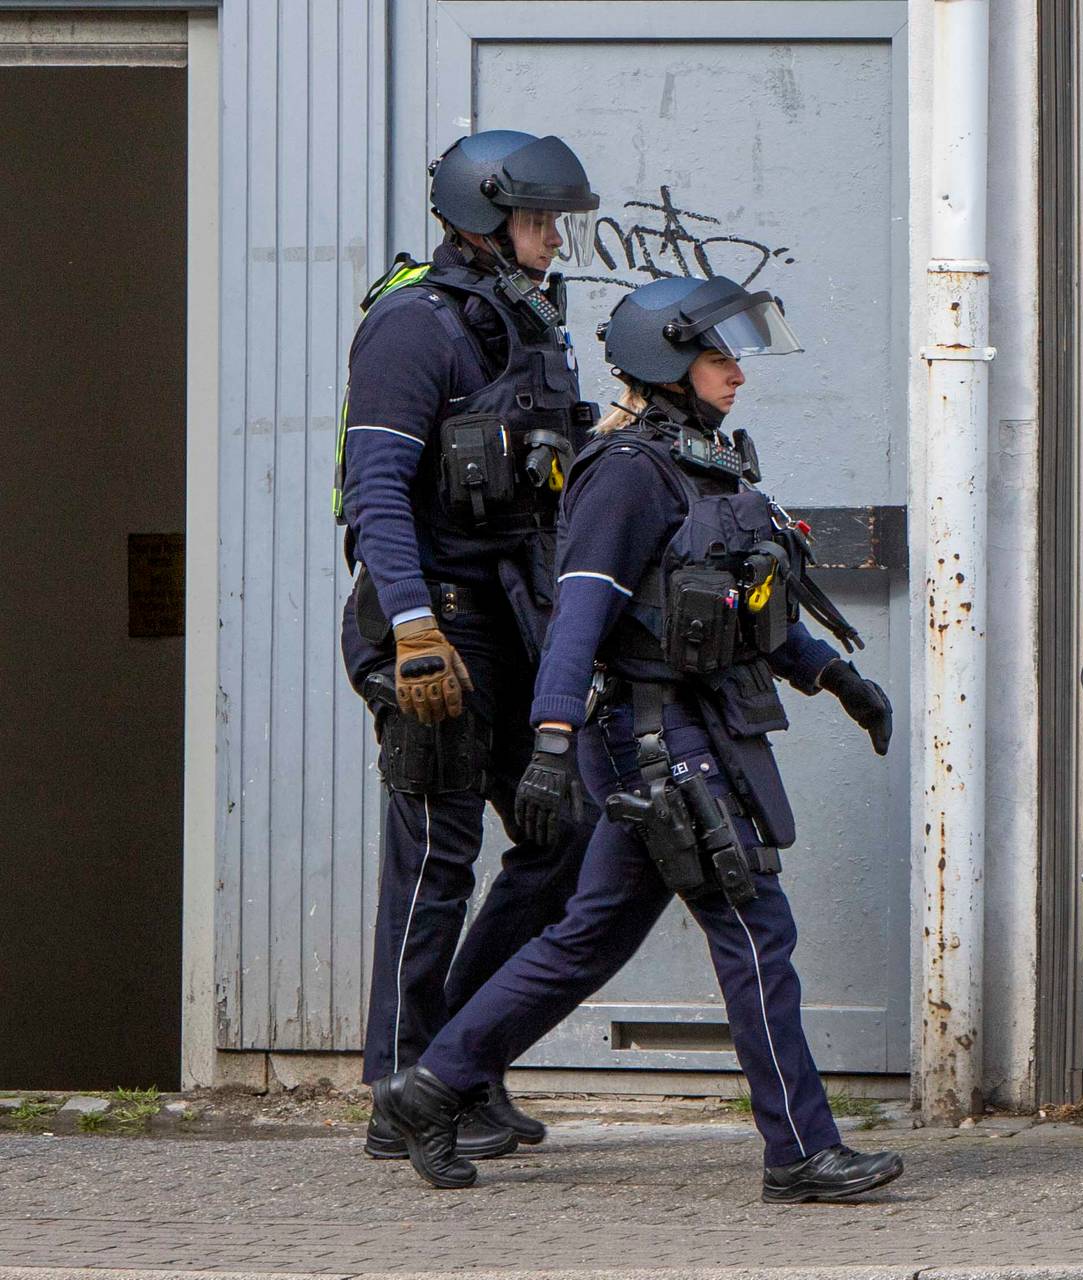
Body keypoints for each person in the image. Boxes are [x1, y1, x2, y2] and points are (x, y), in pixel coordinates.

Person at [369, 275, 905, 1205]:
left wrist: (837, 677)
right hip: (657, 737)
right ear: (667, 364)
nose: (738, 373)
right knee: (752, 926)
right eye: (718, 356)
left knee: (587, 938)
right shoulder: (625, 475)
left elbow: (749, 607)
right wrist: (549, 740)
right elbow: (579, 616)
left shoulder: (706, 463)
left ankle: (430, 1085)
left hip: (708, 726)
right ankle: (801, 1152)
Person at [336, 129, 603, 1160]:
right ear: (485, 220)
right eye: (539, 221)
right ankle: (402, 1088)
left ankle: (462, 1056)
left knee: (561, 834)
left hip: (509, 616)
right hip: (431, 621)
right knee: (439, 857)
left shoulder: (528, 326)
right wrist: (411, 629)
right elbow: (377, 493)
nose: (553, 240)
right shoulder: (414, 326)